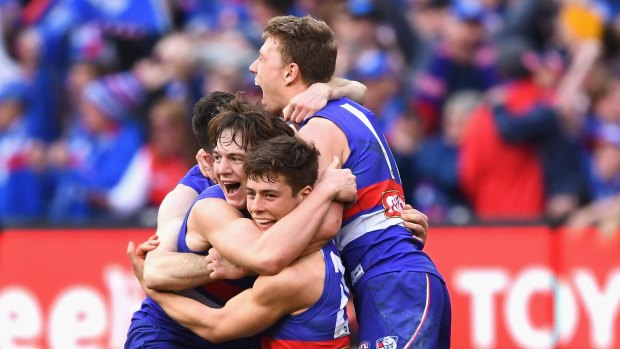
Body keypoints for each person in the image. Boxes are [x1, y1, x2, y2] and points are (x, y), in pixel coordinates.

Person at [203, 15, 449, 348]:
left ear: (290, 73)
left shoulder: (317, 130)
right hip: (396, 280)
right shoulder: (345, 107)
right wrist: (331, 86)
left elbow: (324, 224)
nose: (252, 67)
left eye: (262, 59)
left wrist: (244, 257)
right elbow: (357, 90)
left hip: (392, 282)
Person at [125, 93, 358, 348]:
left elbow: (325, 227)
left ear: (264, 159)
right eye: (218, 157)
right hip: (173, 332)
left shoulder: (285, 177)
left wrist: (329, 90)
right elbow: (156, 271)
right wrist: (326, 192)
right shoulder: (209, 201)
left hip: (238, 329)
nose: (222, 169)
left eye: (235, 158)